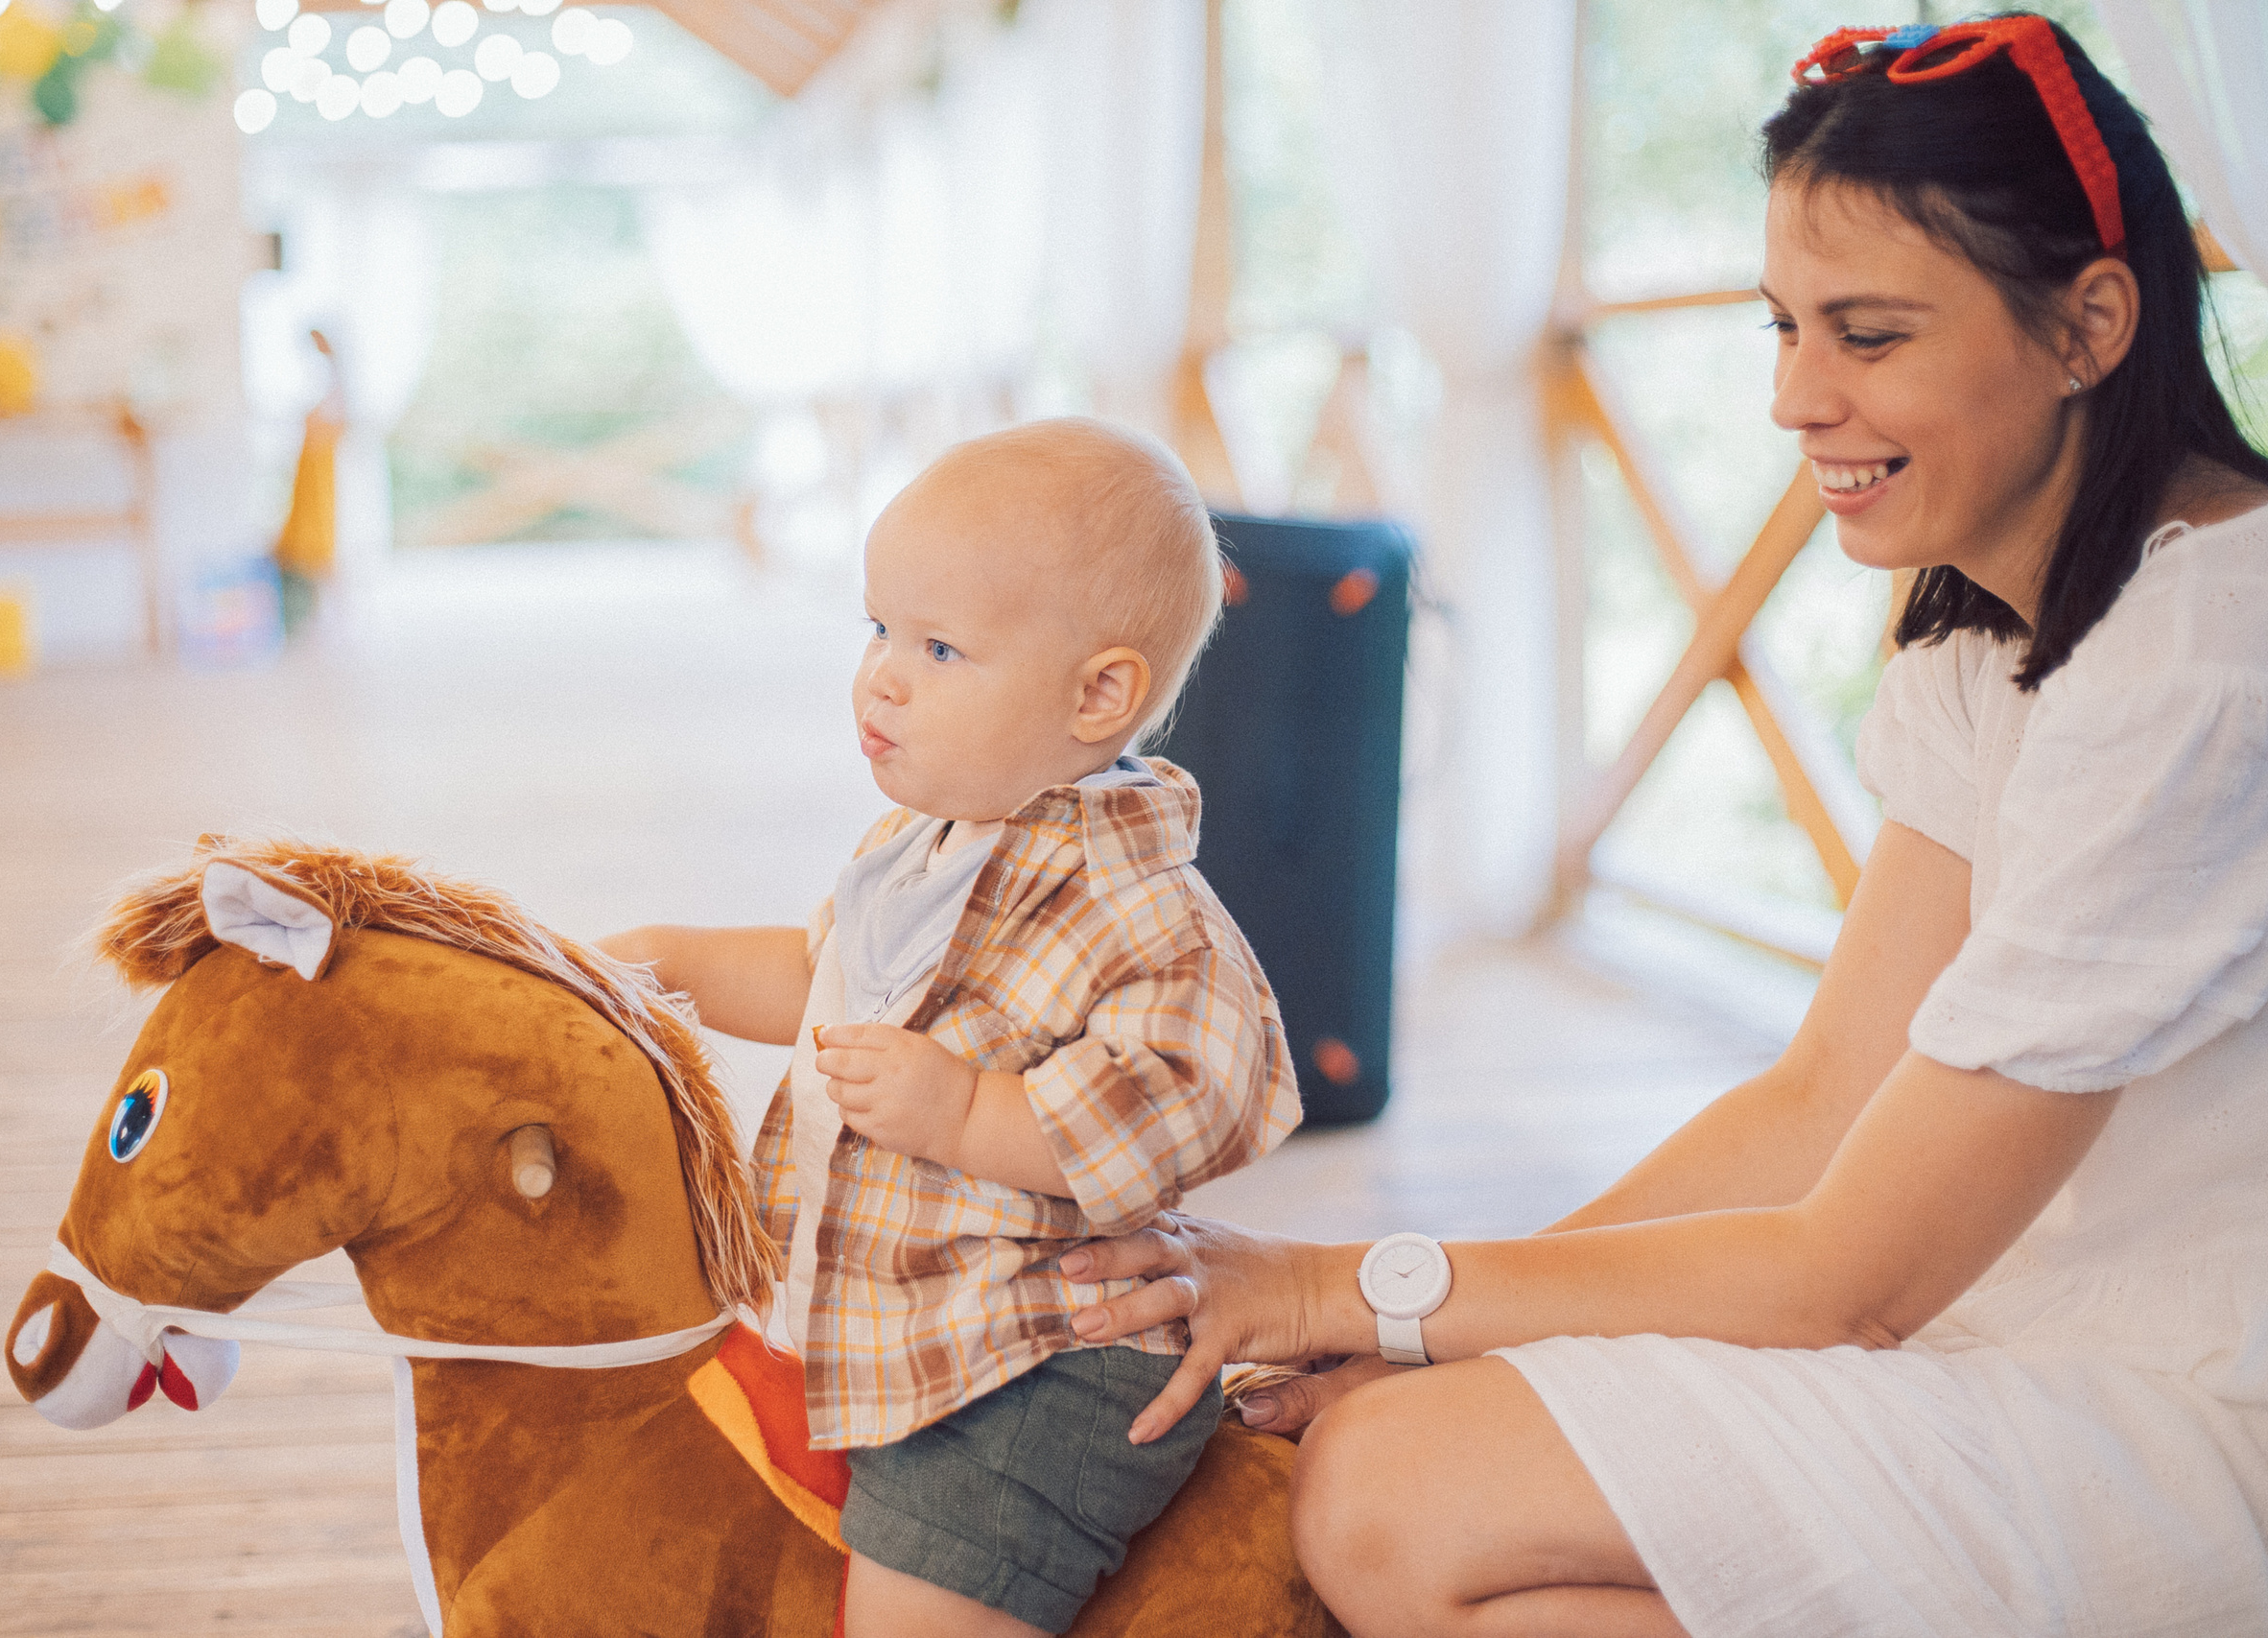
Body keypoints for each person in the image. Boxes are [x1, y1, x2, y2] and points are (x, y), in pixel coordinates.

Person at [1056, 16, 2268, 1637]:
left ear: (2091, 323)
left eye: (1870, 334)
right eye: (1783, 327)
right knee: (1418, 1486)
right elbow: (1825, 1090)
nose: (1793, 397)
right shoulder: (1996, 622)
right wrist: (1440, 1322)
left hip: (2184, 1410)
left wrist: (1348, 1283)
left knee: (1390, 1492)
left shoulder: (2198, 661)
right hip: (2016, 1327)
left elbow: (1851, 1277)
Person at [603, 417, 1300, 1637]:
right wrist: (675, 965)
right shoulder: (929, 841)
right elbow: (829, 984)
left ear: (1098, 694)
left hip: (1037, 1373)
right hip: (911, 1321)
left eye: (938, 646)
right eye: (876, 630)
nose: (881, 676)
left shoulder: (1142, 912)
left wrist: (966, 1109)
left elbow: (1182, 1105)